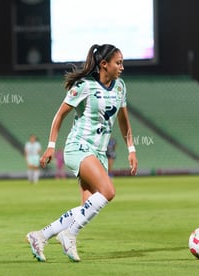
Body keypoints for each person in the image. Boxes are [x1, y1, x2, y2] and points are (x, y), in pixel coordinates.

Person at [26, 44, 138, 263]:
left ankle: (40, 236)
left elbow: (124, 121)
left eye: (122, 62)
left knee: (86, 206)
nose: (122, 67)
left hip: (99, 154)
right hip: (79, 147)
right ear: (104, 64)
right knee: (108, 191)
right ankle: (69, 235)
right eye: (118, 63)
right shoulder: (84, 86)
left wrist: (131, 149)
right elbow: (59, 115)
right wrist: (51, 145)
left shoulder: (120, 87)